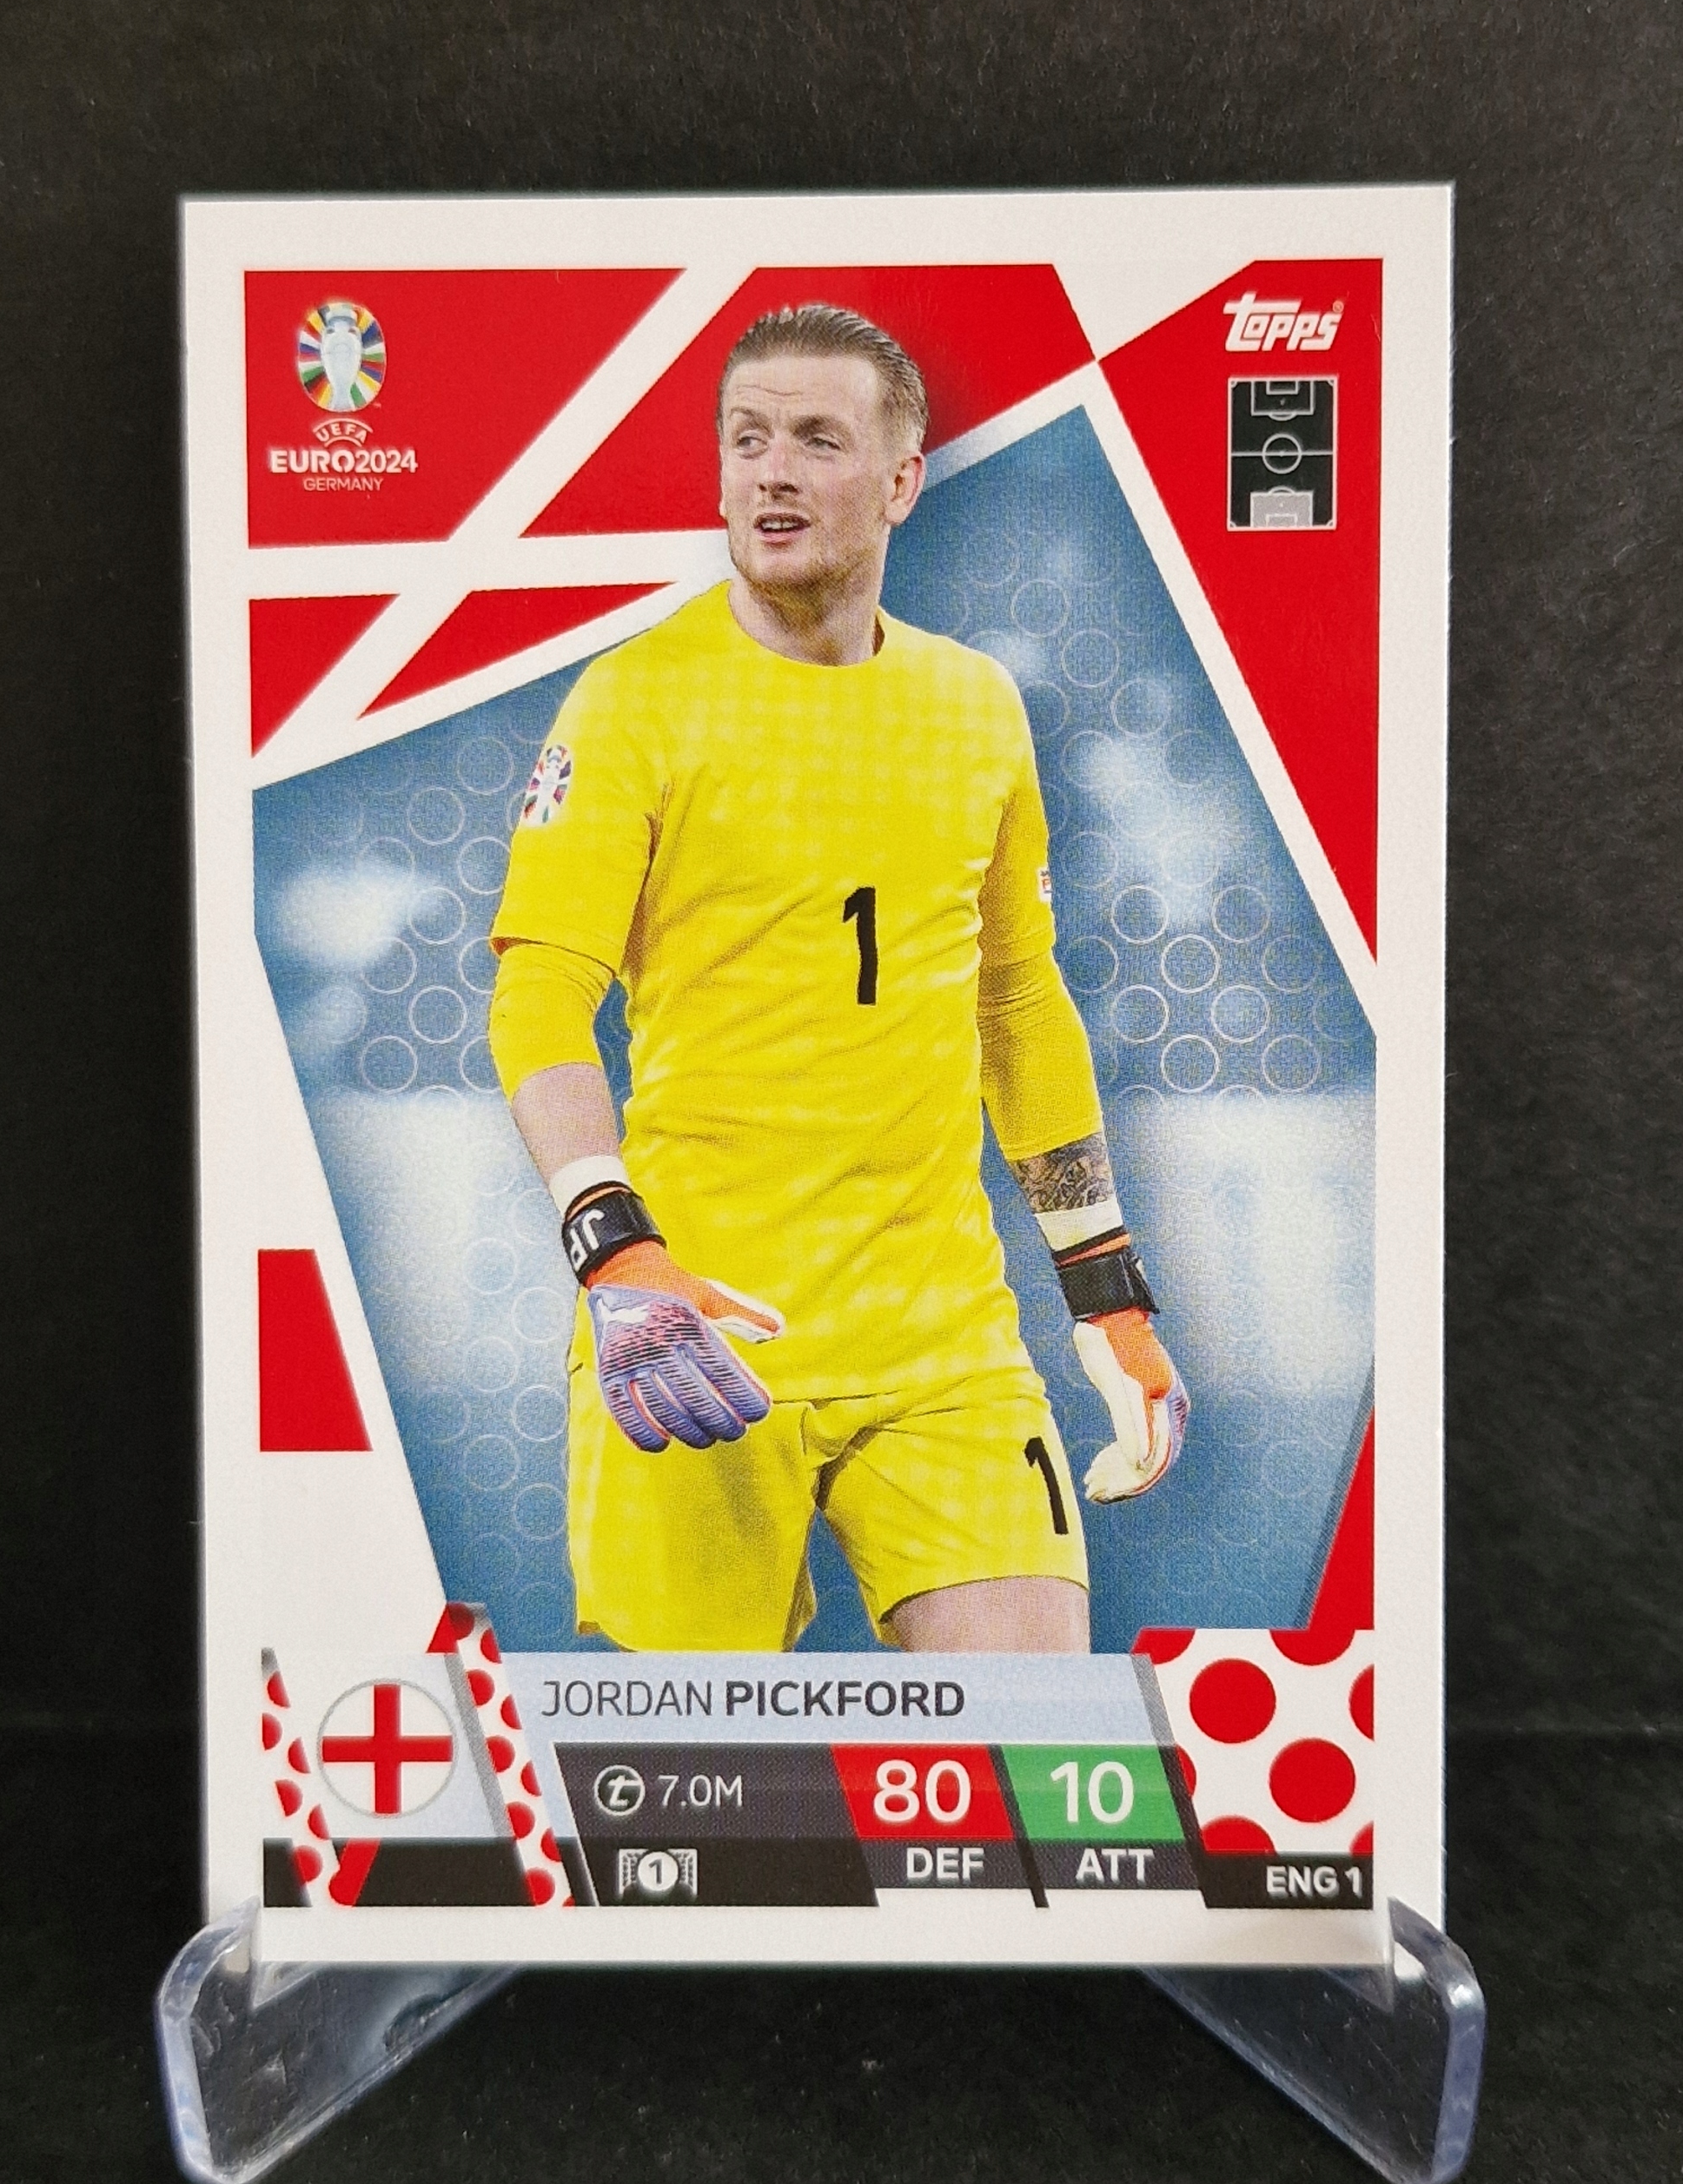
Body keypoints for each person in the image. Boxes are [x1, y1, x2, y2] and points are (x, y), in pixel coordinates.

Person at [487, 303, 1187, 1654]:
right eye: (746, 439)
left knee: (1035, 1752)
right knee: (701, 1783)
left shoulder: (976, 706)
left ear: (903, 481)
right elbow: (538, 993)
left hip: (941, 1342)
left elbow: (1017, 1002)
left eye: (817, 439)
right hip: (691, 1325)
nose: (772, 472)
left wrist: (1108, 1289)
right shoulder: (634, 701)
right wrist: (617, 1250)